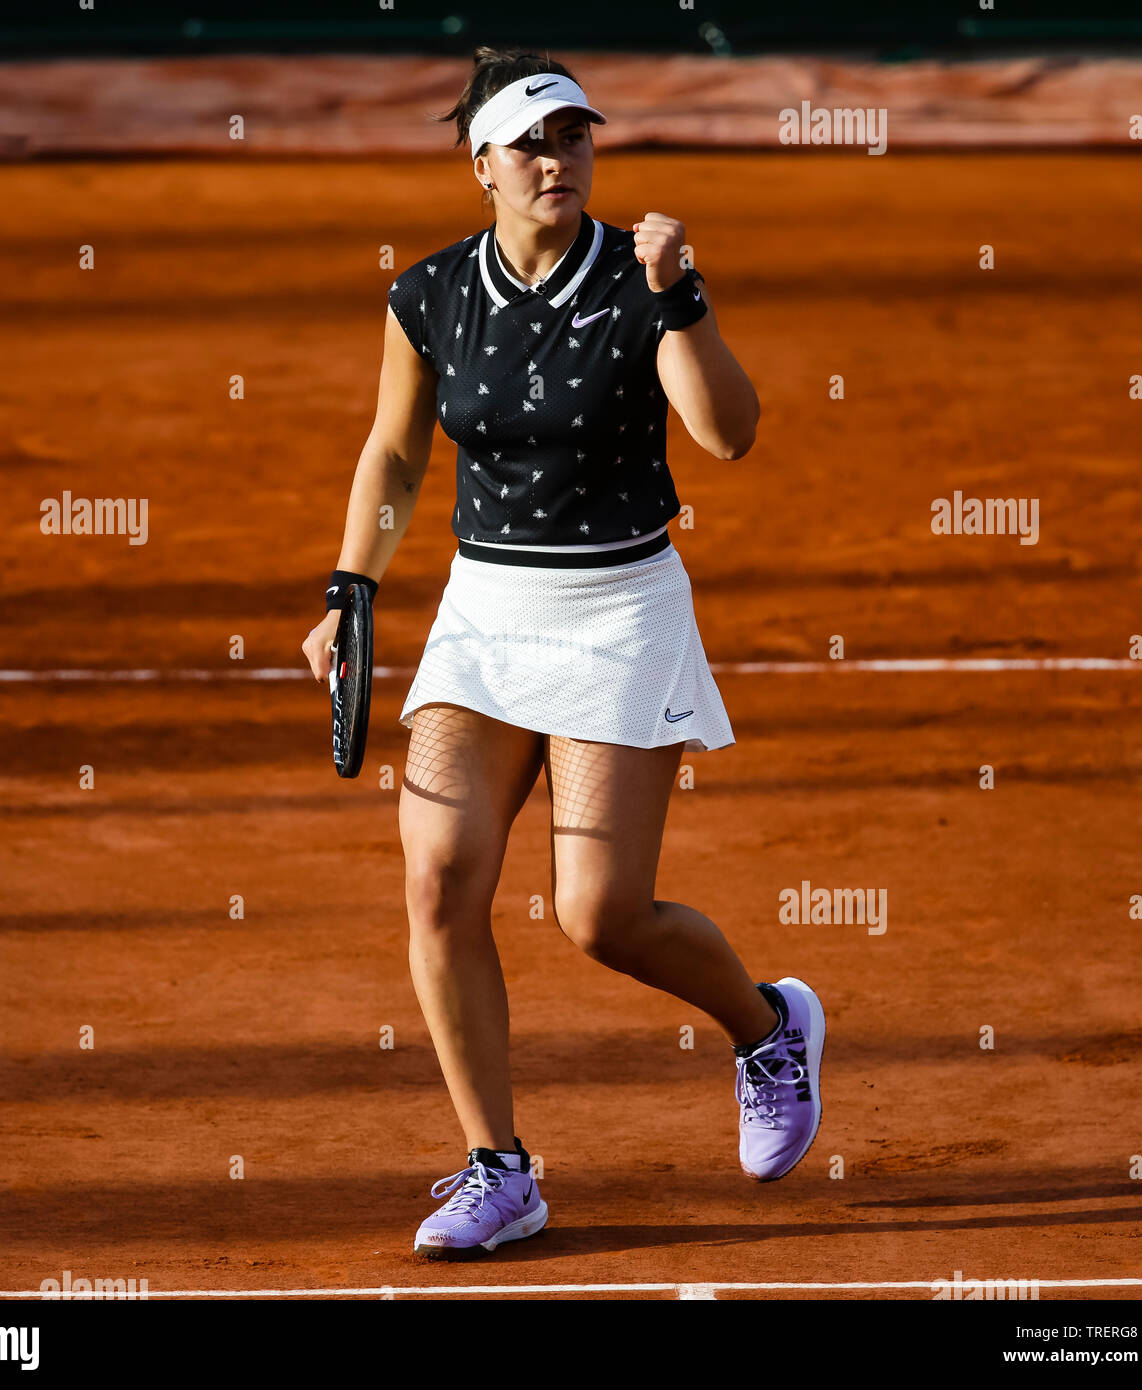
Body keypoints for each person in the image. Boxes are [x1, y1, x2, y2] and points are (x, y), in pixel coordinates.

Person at [302, 45, 826, 1261]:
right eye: (531, 142)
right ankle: (500, 1170)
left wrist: (683, 297)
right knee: (437, 880)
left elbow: (728, 437)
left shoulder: (644, 279)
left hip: (617, 612)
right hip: (485, 614)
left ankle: (764, 1028)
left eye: (574, 137)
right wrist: (350, 588)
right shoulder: (427, 295)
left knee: (598, 914)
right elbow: (393, 456)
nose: (557, 158)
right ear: (479, 163)